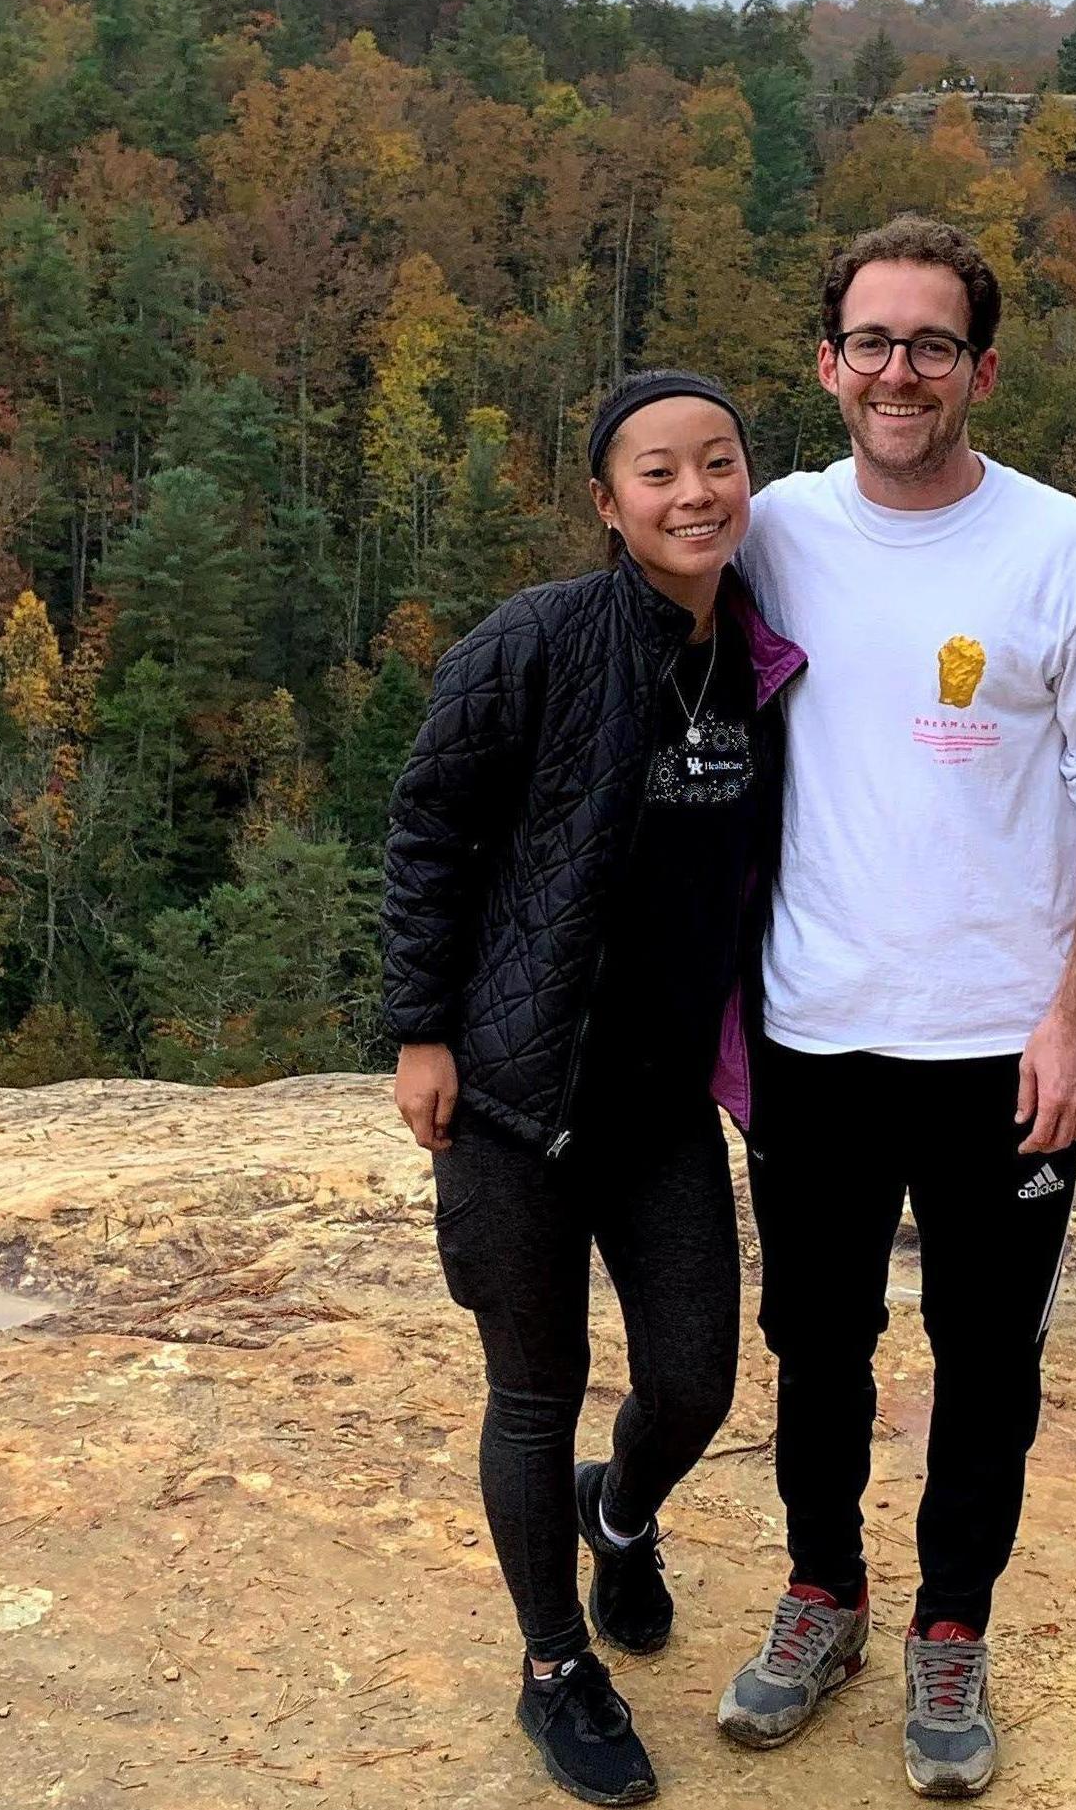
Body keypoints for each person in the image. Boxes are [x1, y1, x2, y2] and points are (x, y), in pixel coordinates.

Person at [715, 216, 1076, 1800]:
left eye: (930, 344)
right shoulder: (770, 529)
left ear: (978, 365)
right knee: (814, 1339)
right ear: (827, 361)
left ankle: (952, 1624)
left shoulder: (1068, 548)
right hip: (815, 1027)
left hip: (1002, 1044)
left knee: (988, 1356)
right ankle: (824, 1593)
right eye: (870, 342)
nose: (897, 371)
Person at [382, 370, 804, 1809]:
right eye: (659, 472)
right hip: (514, 1096)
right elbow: (430, 824)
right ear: (607, 502)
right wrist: (420, 1029)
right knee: (534, 1388)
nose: (695, 493)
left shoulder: (758, 656)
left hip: (660, 1102)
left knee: (693, 1376)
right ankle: (554, 1664)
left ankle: (618, 1521)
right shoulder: (538, 641)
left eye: (719, 464)